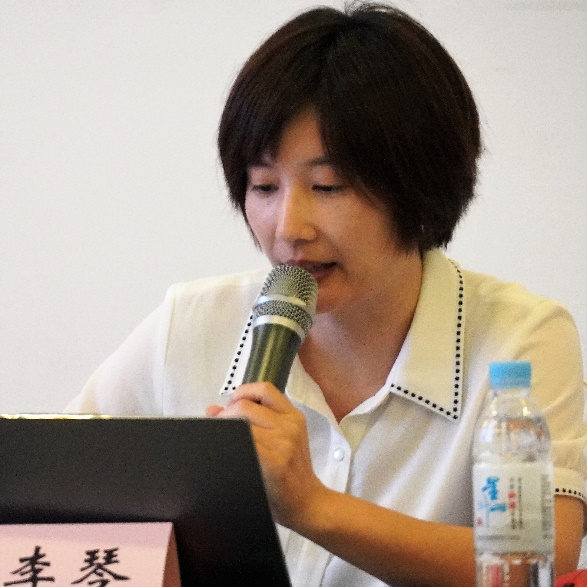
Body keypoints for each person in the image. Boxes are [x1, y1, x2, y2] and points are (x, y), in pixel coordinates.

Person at [66, 3, 586, 586]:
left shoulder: (520, 337)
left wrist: (311, 505)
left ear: (421, 186)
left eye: (328, 186)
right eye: (264, 185)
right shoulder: (191, 324)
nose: (289, 227)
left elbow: (540, 561)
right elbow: (52, 495)